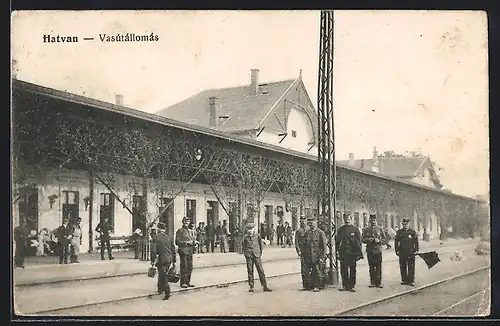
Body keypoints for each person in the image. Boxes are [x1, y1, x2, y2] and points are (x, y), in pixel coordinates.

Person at [336, 213, 363, 292]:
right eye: (345, 219)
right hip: (343, 252)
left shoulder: (355, 229)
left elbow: (359, 242)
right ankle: (345, 285)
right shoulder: (341, 229)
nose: (347, 221)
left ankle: (352, 286)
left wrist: (358, 252)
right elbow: (337, 241)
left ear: (351, 219)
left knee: (352, 270)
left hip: (352, 253)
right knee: (343, 270)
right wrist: (337, 251)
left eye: (348, 219)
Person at [242, 222, 272, 293]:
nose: (250, 231)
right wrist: (246, 254)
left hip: (256, 255)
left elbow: (261, 245)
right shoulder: (245, 237)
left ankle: (264, 286)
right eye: (248, 229)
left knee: (260, 270)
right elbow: (243, 246)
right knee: (250, 270)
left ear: (254, 229)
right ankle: (251, 286)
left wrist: (259, 253)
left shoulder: (257, 235)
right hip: (249, 255)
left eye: (251, 229)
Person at [362, 214, 388, 288]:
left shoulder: (380, 229)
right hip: (370, 251)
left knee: (378, 267)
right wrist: (370, 239)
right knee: (371, 267)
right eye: (371, 220)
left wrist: (379, 241)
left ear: (376, 221)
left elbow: (385, 239)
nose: (373, 222)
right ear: (369, 221)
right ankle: (372, 282)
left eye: (374, 220)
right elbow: (363, 239)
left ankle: (379, 282)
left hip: (378, 251)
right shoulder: (366, 229)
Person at [152, 222, 176, 300]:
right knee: (162, 274)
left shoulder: (156, 238)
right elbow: (173, 249)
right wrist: (174, 260)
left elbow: (153, 251)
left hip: (161, 259)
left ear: (158, 229)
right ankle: (160, 289)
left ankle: (167, 292)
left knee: (163, 276)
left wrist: (153, 260)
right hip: (169, 259)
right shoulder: (169, 237)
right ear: (164, 229)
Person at [303, 216, 327, 292]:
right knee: (308, 271)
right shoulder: (307, 233)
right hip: (309, 255)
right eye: (309, 223)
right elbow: (305, 245)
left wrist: (322, 257)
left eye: (312, 222)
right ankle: (309, 286)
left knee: (317, 271)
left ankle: (317, 286)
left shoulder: (320, 233)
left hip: (317, 255)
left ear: (315, 222)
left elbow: (324, 246)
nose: (310, 224)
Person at [395, 217, 419, 286]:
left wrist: (416, 250)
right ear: (402, 224)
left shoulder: (412, 232)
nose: (405, 225)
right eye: (404, 224)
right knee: (403, 266)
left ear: (409, 224)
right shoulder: (399, 232)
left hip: (411, 252)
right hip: (402, 251)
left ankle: (411, 280)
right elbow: (396, 242)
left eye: (407, 224)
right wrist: (397, 251)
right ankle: (404, 280)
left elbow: (416, 242)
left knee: (411, 266)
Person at [175, 217, 196, 288]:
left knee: (190, 267)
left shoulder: (190, 231)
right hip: (183, 251)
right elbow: (177, 242)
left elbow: (192, 239)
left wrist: (194, 242)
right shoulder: (180, 231)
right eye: (185, 221)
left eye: (188, 221)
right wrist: (186, 243)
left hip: (190, 251)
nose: (186, 223)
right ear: (183, 222)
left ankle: (188, 282)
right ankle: (183, 282)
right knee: (184, 266)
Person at [294, 215, 310, 291]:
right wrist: (298, 251)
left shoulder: (309, 229)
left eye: (304, 220)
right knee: (304, 269)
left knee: (311, 268)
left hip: (310, 251)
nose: (303, 222)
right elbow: (296, 242)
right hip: (303, 252)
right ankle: (305, 285)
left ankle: (311, 284)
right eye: (301, 221)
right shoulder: (298, 231)